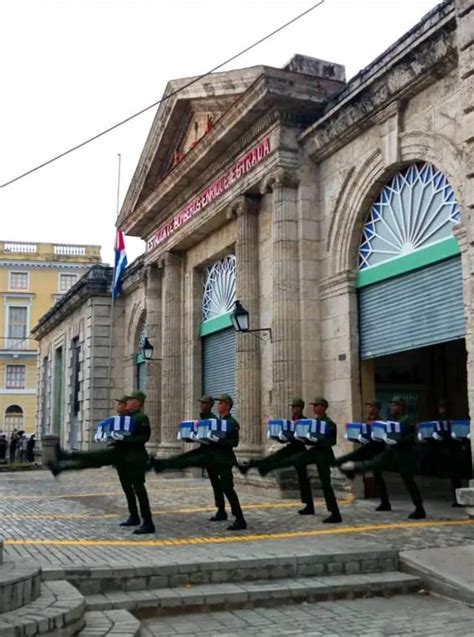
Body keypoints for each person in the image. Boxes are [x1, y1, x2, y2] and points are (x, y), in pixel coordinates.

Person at [48, 390, 155, 535]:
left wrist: (124, 439)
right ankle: (134, 516)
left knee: (139, 489)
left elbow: (143, 438)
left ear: (139, 403)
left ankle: (148, 522)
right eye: (127, 400)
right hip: (122, 456)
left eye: (131, 400)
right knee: (127, 488)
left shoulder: (141, 418)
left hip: (135, 458)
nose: (127, 402)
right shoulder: (125, 417)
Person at [153, 393, 247, 531]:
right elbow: (206, 439)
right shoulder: (216, 421)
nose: (218, 405)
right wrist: (193, 438)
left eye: (220, 403)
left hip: (224, 460)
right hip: (213, 458)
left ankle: (240, 519)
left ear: (227, 406)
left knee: (228, 488)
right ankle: (221, 511)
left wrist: (217, 440)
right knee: (217, 485)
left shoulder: (232, 423)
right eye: (218, 403)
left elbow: (234, 442)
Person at [340, 396, 426, 520]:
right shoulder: (395, 420)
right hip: (396, 453)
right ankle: (395, 504)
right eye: (392, 405)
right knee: (404, 481)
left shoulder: (407, 419)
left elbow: (411, 437)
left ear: (401, 407)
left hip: (406, 455)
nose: (392, 408)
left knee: (409, 481)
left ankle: (419, 509)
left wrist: (397, 440)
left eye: (394, 405)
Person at [238, 398, 314, 515]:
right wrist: (278, 437)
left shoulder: (305, 421)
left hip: (299, 450)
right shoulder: (291, 421)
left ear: (300, 408)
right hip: (291, 448)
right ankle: (252, 465)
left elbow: (308, 440)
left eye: (295, 407)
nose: (292, 409)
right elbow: (285, 438)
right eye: (292, 407)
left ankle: (309, 506)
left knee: (303, 478)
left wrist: (303, 437)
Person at [334, 401, 391, 511]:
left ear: (377, 409)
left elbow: (381, 437)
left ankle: (385, 503)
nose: (369, 408)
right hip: (368, 449)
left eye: (372, 406)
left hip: (377, 451)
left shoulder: (381, 422)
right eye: (369, 406)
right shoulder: (368, 419)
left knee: (378, 477)